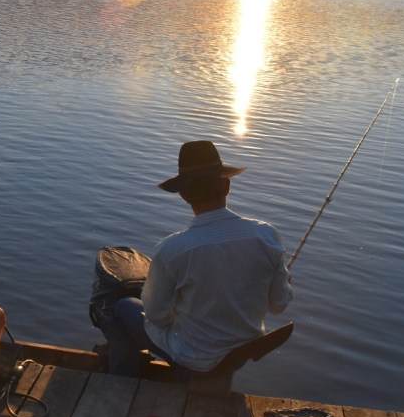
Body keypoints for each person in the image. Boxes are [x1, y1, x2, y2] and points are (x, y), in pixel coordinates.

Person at [106, 140, 293, 377]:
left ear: (184, 195)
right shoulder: (267, 235)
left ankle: (121, 382)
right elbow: (278, 305)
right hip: (241, 353)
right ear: (226, 187)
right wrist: (286, 283)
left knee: (122, 308)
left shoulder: (171, 250)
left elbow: (157, 317)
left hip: (194, 361)